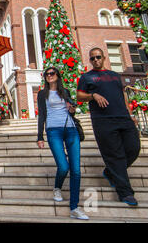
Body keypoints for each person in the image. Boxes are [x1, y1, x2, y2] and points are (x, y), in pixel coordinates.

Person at [77, 47, 141, 206]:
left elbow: (122, 95)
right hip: (103, 121)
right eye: (92, 58)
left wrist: (131, 114)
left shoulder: (114, 76)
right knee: (115, 156)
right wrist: (93, 95)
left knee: (134, 148)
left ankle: (110, 171)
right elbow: (79, 96)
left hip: (123, 118)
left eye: (98, 57)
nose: (96, 60)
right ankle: (126, 193)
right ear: (90, 60)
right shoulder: (87, 77)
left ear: (104, 57)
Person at [37, 67, 89, 220]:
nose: (49, 76)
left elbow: (72, 111)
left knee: (76, 171)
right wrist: (40, 136)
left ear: (58, 76)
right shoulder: (42, 93)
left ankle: (74, 207)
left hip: (71, 130)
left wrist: (71, 109)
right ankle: (57, 187)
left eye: (52, 73)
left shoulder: (65, 91)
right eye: (47, 74)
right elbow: (41, 115)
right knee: (63, 166)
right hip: (54, 131)